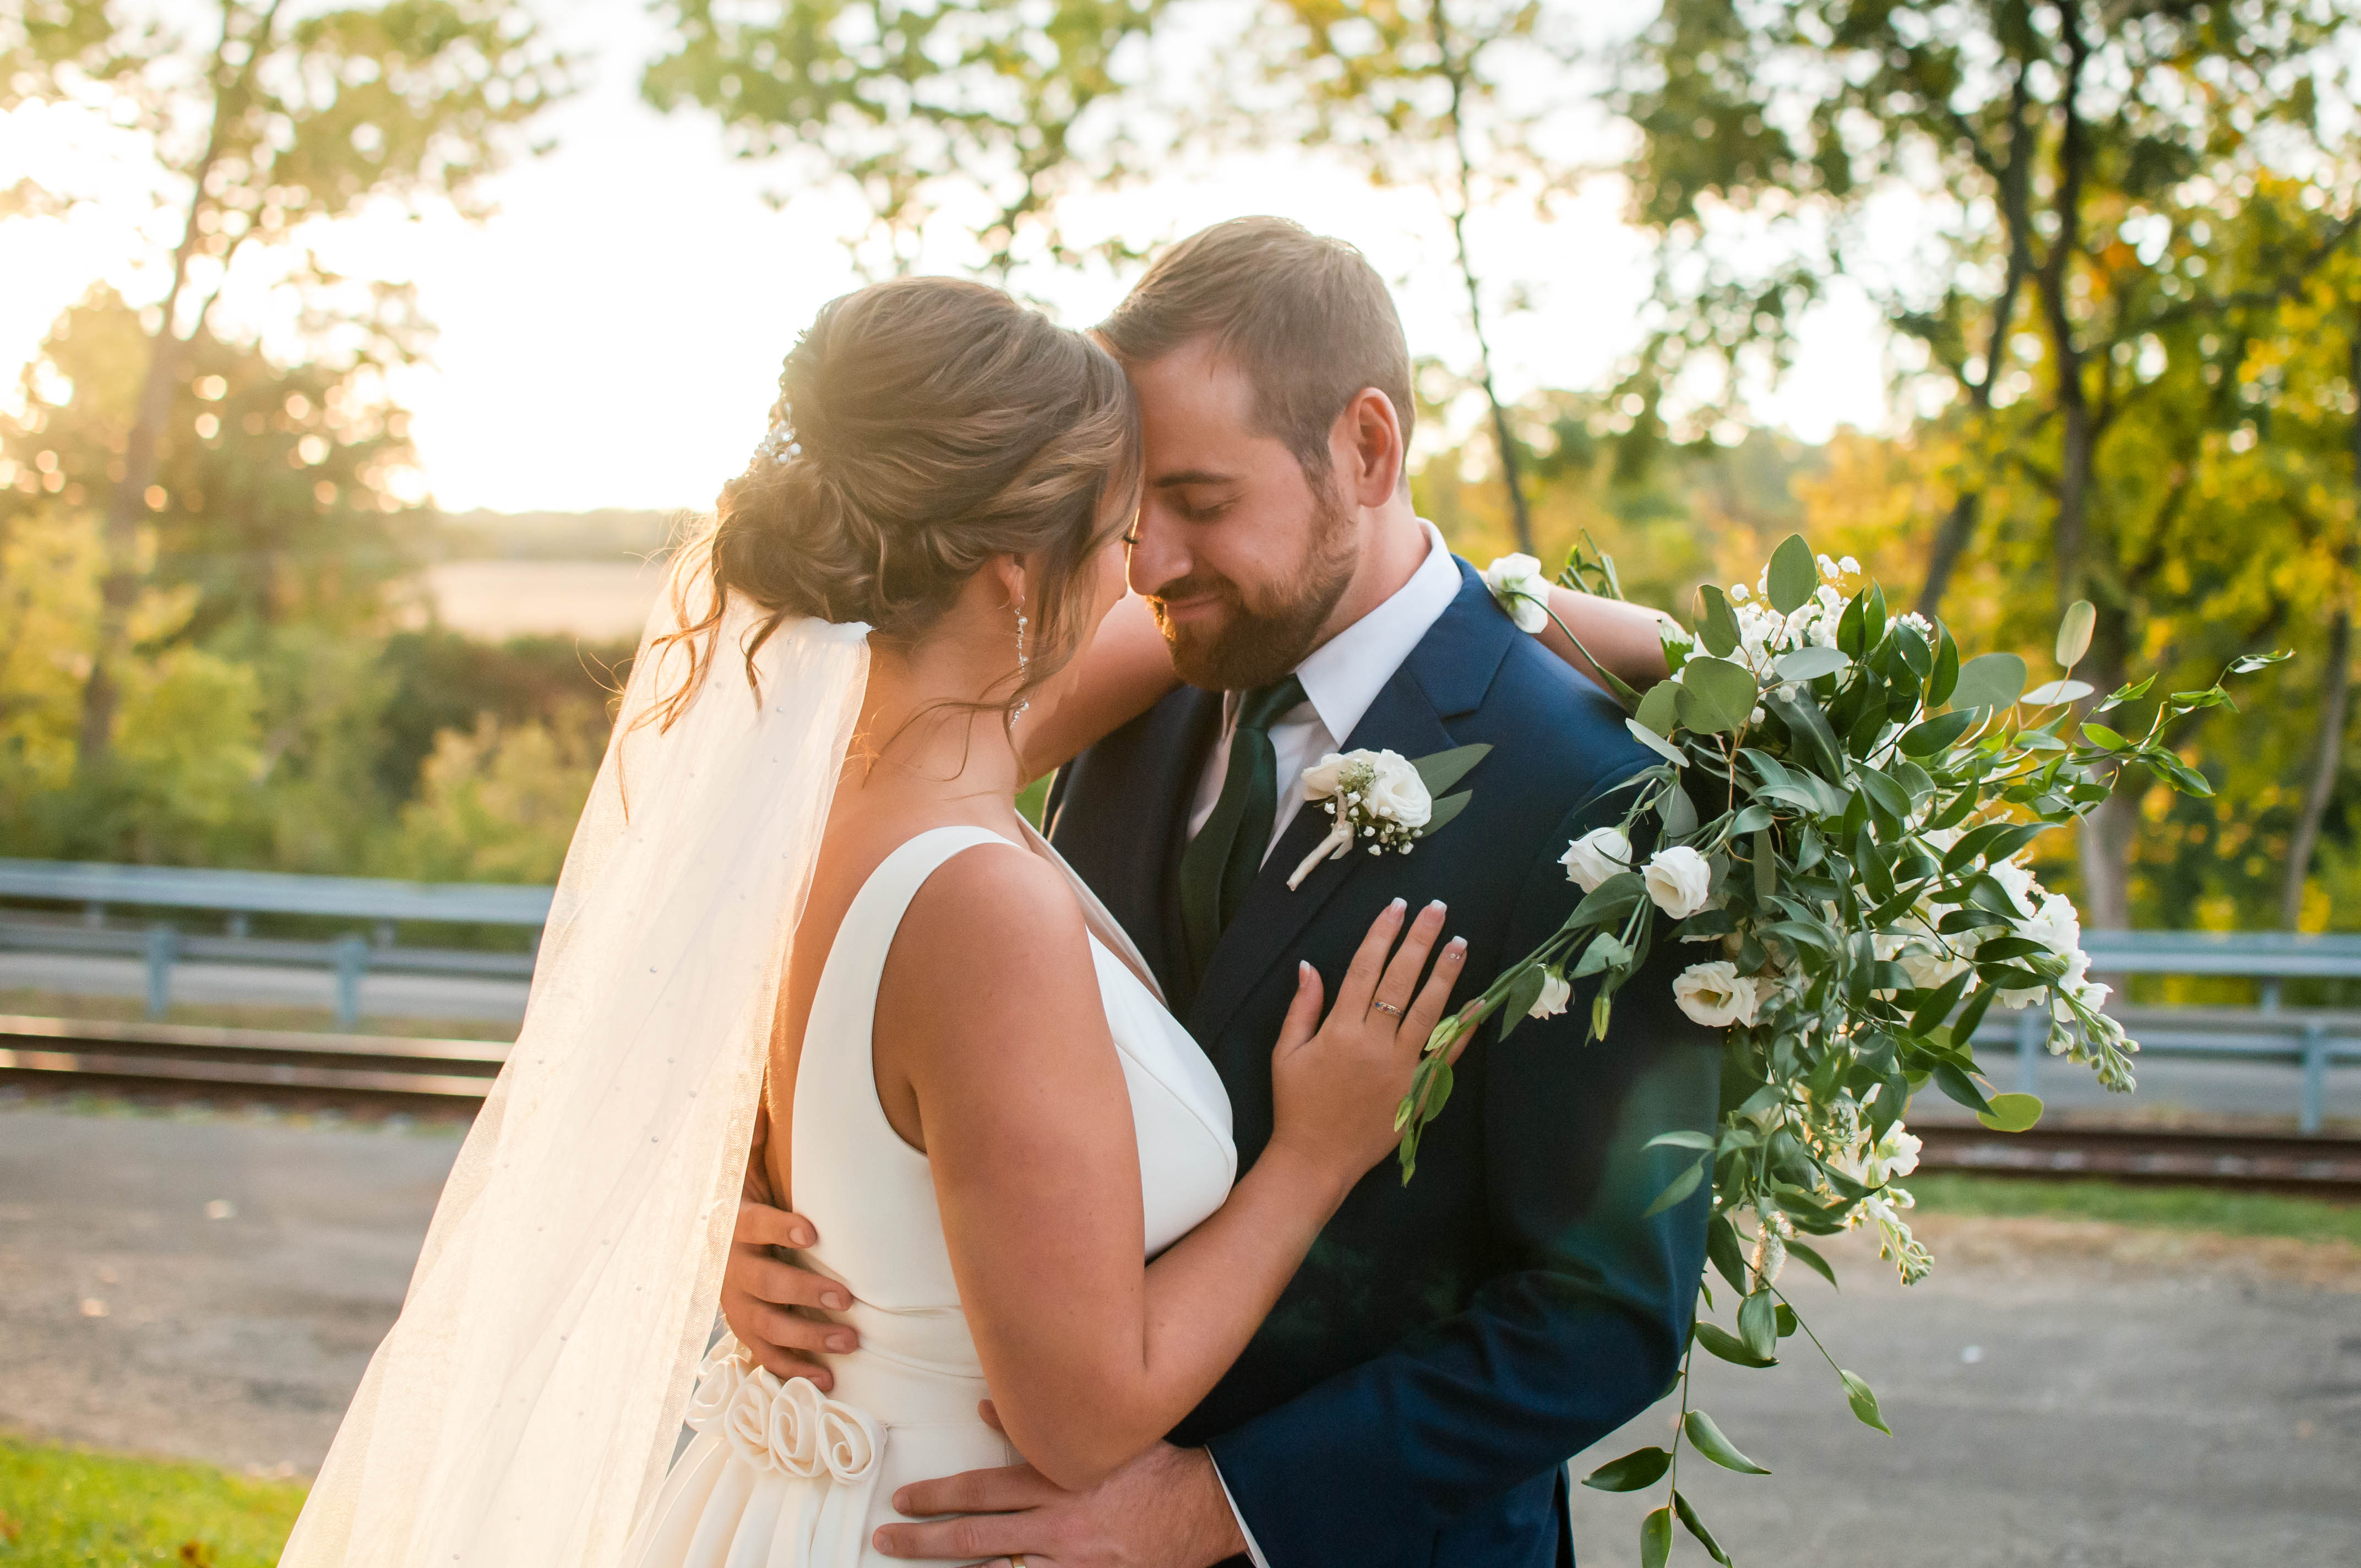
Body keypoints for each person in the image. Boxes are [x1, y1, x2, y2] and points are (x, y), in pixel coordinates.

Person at [281, 274, 1476, 1568]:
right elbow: (1083, 1417)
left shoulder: (814, 790)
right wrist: (1314, 1156)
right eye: (1119, 532)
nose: (1139, 574)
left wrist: (1562, 635)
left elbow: (1356, 617)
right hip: (929, 1524)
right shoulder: (978, 902)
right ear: (1018, 571)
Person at [727, 220, 1723, 1568]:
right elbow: (849, 943)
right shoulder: (1113, 682)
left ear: (1365, 450)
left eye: (1198, 500)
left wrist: (1217, 1502)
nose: (1148, 563)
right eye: (1129, 511)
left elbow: (1605, 1311)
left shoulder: (1594, 800)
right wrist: (755, 1206)